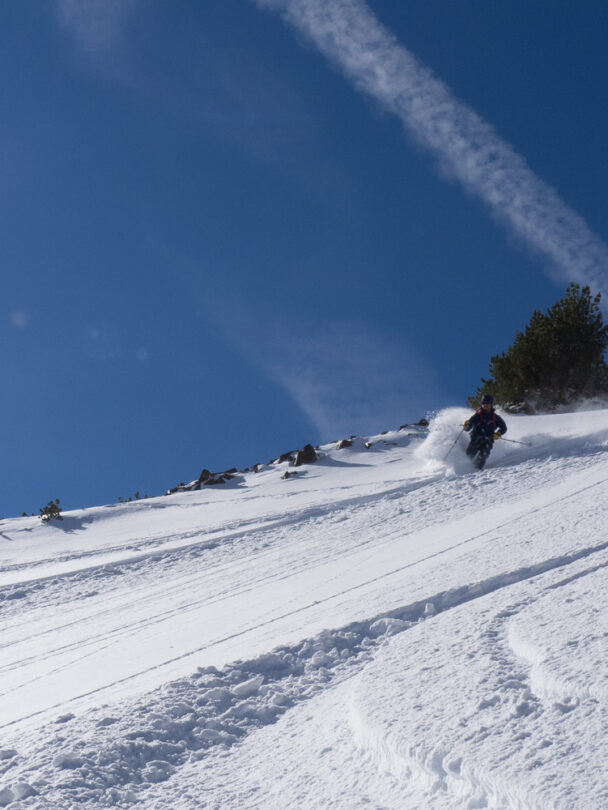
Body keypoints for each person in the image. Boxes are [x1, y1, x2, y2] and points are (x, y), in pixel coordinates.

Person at [463, 394, 507, 469]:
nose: (485, 405)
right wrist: (467, 426)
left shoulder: (495, 417)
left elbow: (504, 427)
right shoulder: (477, 415)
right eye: (483, 403)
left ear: (491, 404)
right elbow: (468, 426)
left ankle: (476, 470)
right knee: (469, 455)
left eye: (487, 403)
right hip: (476, 439)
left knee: (483, 455)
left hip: (488, 440)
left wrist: (498, 433)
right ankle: (463, 468)